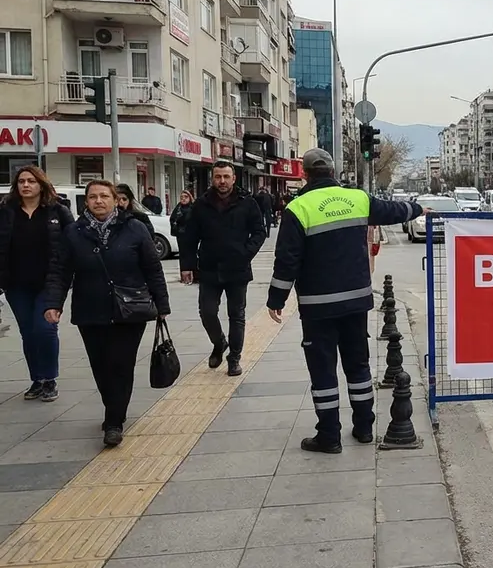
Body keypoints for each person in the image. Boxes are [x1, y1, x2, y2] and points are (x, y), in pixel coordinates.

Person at [267, 148, 425, 454]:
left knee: (323, 370)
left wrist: (277, 298)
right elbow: (393, 211)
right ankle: (364, 429)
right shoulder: (357, 199)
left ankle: (329, 435)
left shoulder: (298, 209)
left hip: (318, 307)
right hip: (356, 302)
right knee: (358, 366)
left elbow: (287, 260)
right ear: (333, 171)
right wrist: (419, 210)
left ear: (304, 172)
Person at [44, 179, 170, 447]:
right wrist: (53, 303)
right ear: (86, 202)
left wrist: (162, 305)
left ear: (116, 200)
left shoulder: (134, 228)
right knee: (100, 365)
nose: (98, 201)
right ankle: (114, 407)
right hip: (90, 309)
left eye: (104, 196)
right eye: (92, 197)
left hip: (130, 309)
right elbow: (60, 271)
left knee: (120, 364)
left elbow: (152, 269)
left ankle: (114, 421)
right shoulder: (74, 232)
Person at [179, 162, 265, 376]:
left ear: (234, 178)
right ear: (213, 179)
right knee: (207, 312)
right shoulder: (201, 204)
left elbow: (259, 231)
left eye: (226, 176)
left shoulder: (247, 202)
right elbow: (189, 237)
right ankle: (219, 343)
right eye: (218, 177)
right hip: (209, 268)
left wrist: (246, 252)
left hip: (237, 269)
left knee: (237, 315)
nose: (222, 181)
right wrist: (187, 265)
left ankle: (234, 358)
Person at [0, 166, 74, 402]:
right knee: (28, 333)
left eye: (31, 181)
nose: (26, 185)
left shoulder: (58, 211)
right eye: (21, 181)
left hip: (49, 283)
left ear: (41, 184)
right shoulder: (6, 211)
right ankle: (37, 380)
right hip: (16, 284)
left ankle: (50, 378)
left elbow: (72, 244)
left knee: (45, 330)